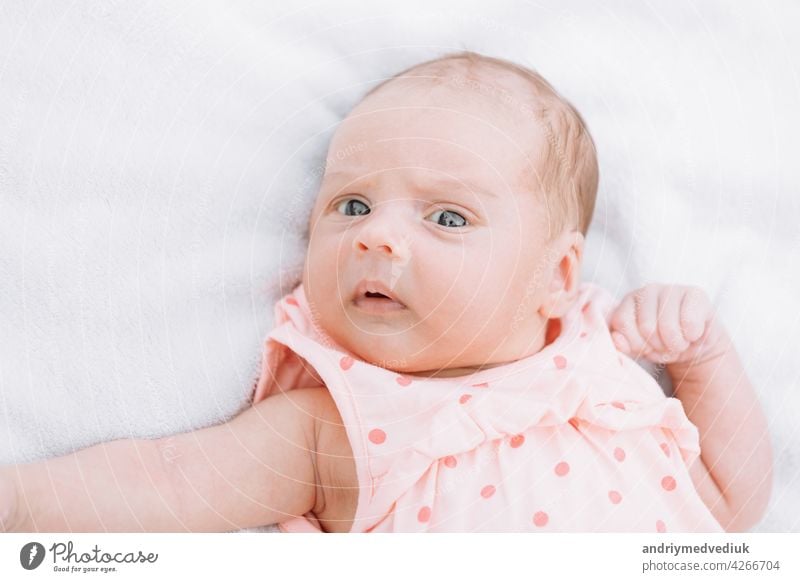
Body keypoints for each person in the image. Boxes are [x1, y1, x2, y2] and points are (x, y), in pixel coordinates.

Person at [0, 51, 772, 533]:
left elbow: (731, 508)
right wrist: (20, 504)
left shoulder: (605, 368)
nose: (377, 237)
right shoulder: (333, 424)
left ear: (558, 279)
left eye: (446, 216)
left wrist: (704, 360)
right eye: (353, 205)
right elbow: (167, 481)